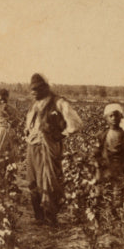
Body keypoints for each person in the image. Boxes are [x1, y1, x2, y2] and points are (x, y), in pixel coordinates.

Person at [24, 73, 83, 226]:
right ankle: (39, 217)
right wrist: (27, 131)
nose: (34, 92)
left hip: (49, 147)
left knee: (49, 181)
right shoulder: (34, 104)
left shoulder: (58, 102)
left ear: (45, 88)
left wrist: (61, 135)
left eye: (37, 89)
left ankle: (51, 217)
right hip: (33, 146)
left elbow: (76, 123)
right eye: (32, 89)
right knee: (33, 182)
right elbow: (30, 124)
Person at [96, 104, 124, 191]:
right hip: (105, 169)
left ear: (121, 117)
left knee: (119, 193)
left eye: (116, 115)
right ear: (106, 118)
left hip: (120, 170)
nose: (113, 118)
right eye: (111, 116)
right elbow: (96, 153)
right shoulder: (101, 136)